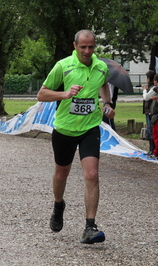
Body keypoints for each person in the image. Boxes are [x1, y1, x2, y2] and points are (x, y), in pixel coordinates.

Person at [37, 29, 114, 244]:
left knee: (92, 175)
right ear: (75, 46)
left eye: (91, 47)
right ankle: (58, 204)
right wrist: (65, 94)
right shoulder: (63, 66)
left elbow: (104, 85)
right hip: (64, 129)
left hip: (90, 128)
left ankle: (90, 227)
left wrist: (107, 103)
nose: (87, 51)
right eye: (83, 47)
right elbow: (41, 94)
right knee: (62, 174)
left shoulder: (101, 67)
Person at [142, 70, 156, 155]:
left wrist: (144, 90)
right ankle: (151, 148)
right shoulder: (151, 87)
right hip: (148, 111)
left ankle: (152, 149)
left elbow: (146, 97)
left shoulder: (153, 88)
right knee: (149, 129)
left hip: (150, 111)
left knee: (151, 130)